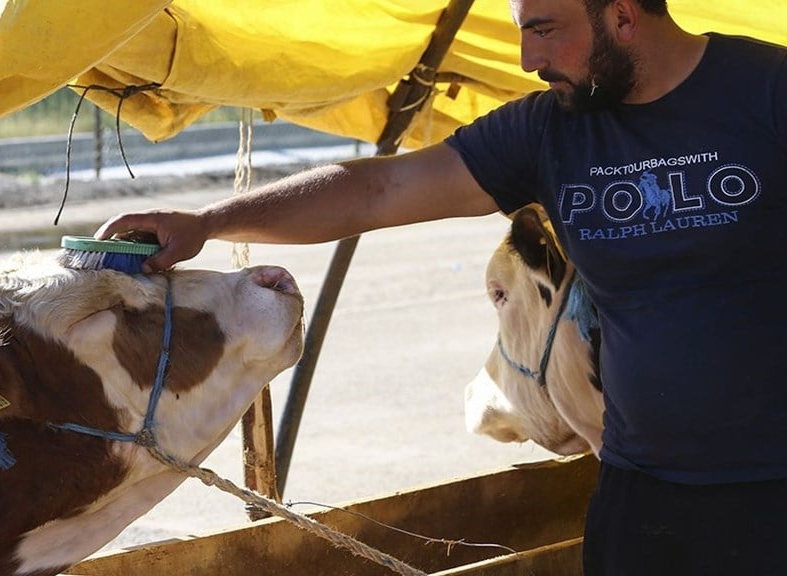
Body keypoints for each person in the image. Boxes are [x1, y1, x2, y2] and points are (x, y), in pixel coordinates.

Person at [96, 0, 787, 573]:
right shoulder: (549, 128)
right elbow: (377, 190)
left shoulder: (765, 91)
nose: (527, 59)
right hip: (644, 501)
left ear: (624, 15)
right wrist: (210, 222)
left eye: (543, 28)